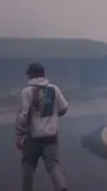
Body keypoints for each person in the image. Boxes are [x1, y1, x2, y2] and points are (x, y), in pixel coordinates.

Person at [16, 62, 69, 191]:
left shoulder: (27, 92)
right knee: (53, 166)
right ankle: (61, 187)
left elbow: (23, 115)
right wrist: (53, 115)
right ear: (43, 74)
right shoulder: (53, 89)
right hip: (51, 136)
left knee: (28, 166)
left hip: (33, 137)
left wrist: (19, 134)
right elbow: (64, 108)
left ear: (30, 76)